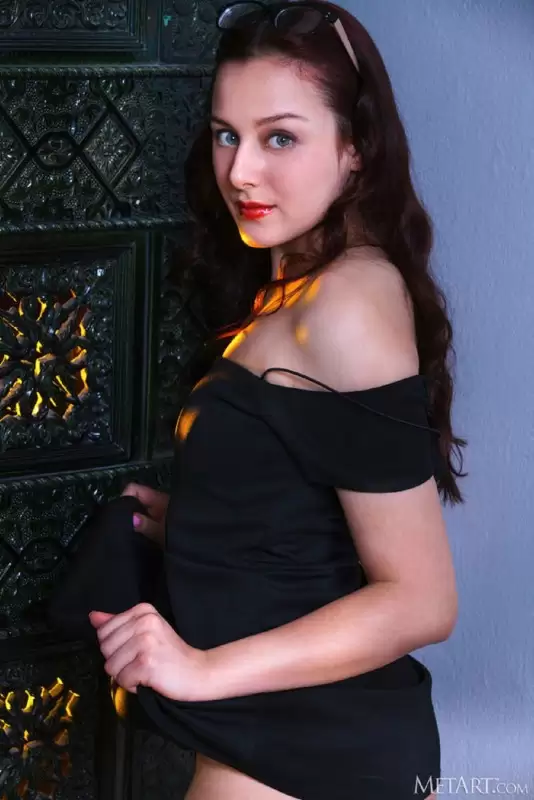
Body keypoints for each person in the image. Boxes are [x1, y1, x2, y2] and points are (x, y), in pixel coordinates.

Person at [91, 3, 466, 798]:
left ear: (356, 149)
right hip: (290, 744)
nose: (240, 171)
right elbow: (318, 492)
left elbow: (422, 601)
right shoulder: (298, 286)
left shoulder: (347, 305)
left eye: (280, 138)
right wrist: (202, 520)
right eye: (226, 134)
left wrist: (198, 670)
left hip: (304, 756)